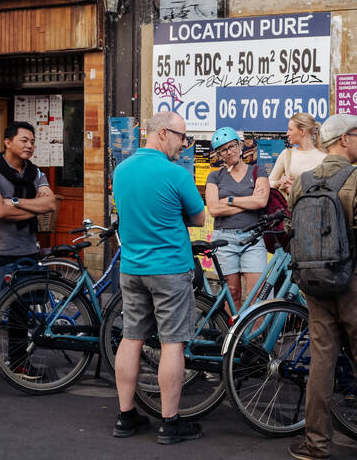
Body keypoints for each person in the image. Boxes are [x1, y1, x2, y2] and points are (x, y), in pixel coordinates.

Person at [286, 114, 357, 460]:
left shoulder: (303, 182)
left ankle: (316, 444)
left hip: (315, 284)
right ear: (342, 140)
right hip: (356, 281)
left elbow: (295, 228)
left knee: (322, 363)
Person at [111, 111, 207, 444]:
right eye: (183, 137)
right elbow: (198, 216)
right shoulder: (175, 174)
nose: (185, 144)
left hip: (132, 267)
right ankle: (170, 423)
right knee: (171, 344)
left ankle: (125, 417)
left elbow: (123, 211)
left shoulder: (120, 171)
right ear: (163, 133)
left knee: (131, 338)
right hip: (169, 268)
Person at [0, 121, 57, 388]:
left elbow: (50, 203)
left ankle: (18, 362)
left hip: (28, 249)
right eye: (24, 140)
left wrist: (16, 202)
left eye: (32, 141)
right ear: (7, 142)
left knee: (21, 309)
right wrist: (34, 208)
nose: (30, 145)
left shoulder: (36, 173)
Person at [205, 126, 270, 307]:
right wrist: (248, 203)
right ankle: (232, 335)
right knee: (231, 293)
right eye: (223, 149)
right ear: (219, 154)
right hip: (224, 238)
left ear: (240, 145)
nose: (228, 152)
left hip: (253, 238)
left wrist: (230, 200)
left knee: (257, 292)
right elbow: (214, 209)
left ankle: (256, 336)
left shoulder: (258, 171)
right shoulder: (214, 176)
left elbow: (261, 202)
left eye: (232, 146)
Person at [269, 112, 326, 195]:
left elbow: (329, 190)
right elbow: (268, 183)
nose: (287, 133)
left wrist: (297, 189)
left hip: (314, 207)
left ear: (302, 131)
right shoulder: (286, 154)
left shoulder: (324, 157)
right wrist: (278, 183)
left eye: (290, 129)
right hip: (289, 207)